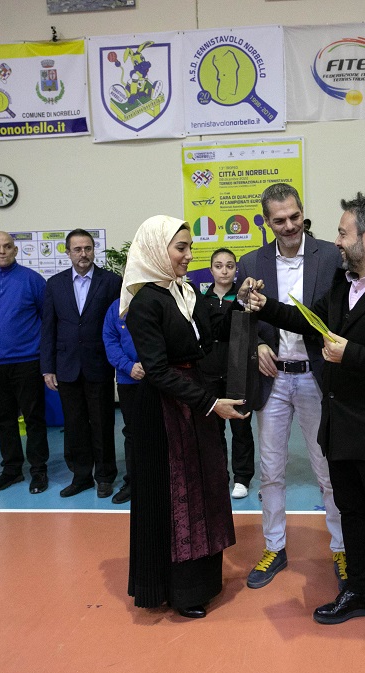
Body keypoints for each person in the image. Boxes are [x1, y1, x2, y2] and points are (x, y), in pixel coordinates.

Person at [242, 191, 365, 657]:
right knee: (352, 514)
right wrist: (265, 306)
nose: (336, 240)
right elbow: (309, 321)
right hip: (342, 423)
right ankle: (361, 591)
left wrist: (352, 354)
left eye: (343, 233)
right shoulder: (345, 282)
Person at [122, 214, 246, 619]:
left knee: (204, 487)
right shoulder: (145, 303)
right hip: (164, 411)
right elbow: (157, 371)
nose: (189, 255)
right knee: (176, 495)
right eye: (181, 248)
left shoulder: (187, 291)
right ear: (157, 250)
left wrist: (241, 302)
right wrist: (210, 403)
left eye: (190, 247)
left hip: (195, 402)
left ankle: (202, 582)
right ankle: (179, 590)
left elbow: (210, 336)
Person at [236, 183, 346, 590]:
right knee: (271, 471)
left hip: (318, 376)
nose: (289, 225)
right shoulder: (251, 262)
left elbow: (344, 311)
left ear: (303, 213)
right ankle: (275, 547)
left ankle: (342, 548)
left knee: (328, 468)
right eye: (279, 220)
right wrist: (257, 344)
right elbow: (241, 321)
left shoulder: (331, 256)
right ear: (267, 222)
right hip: (274, 379)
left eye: (295, 216)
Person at [40, 229, 122, 498]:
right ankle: (81, 476)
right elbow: (48, 327)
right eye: (77, 249)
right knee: (74, 425)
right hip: (66, 366)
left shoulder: (111, 282)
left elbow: (118, 325)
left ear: (93, 250)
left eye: (87, 248)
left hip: (99, 364)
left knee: (102, 423)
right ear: (68, 253)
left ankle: (105, 476)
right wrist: (47, 367)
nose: (83, 254)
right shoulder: (55, 284)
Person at [0, 232, 50, 495]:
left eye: (7, 247)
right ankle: (12, 469)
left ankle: (38, 470)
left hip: (28, 361)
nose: (2, 251)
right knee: (4, 420)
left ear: (15, 250)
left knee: (34, 419)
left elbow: (46, 318)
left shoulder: (32, 280)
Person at [197, 248, 255, 499]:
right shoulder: (200, 300)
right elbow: (209, 333)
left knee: (241, 426)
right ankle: (218, 476)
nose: (224, 271)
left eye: (229, 266)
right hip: (208, 371)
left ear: (236, 270)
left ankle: (242, 478)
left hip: (237, 371)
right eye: (218, 266)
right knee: (213, 429)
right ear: (210, 270)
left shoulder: (246, 299)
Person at [103, 296, 144, 505]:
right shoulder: (116, 307)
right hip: (129, 379)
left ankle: (163, 481)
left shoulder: (158, 298)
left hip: (159, 379)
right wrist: (128, 366)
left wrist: (153, 365)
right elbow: (110, 341)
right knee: (132, 432)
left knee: (162, 431)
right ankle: (133, 482)